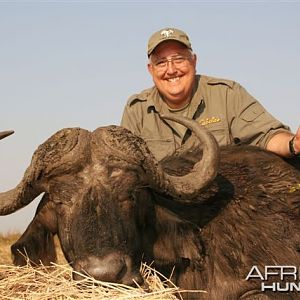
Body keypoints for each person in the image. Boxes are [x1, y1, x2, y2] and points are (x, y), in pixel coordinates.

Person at [121, 27, 299, 162]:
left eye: (179, 59)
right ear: (150, 70)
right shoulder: (137, 109)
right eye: (161, 63)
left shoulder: (228, 94)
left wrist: (293, 144)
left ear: (194, 61)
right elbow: (125, 167)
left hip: (221, 204)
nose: (171, 70)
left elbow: (265, 136)